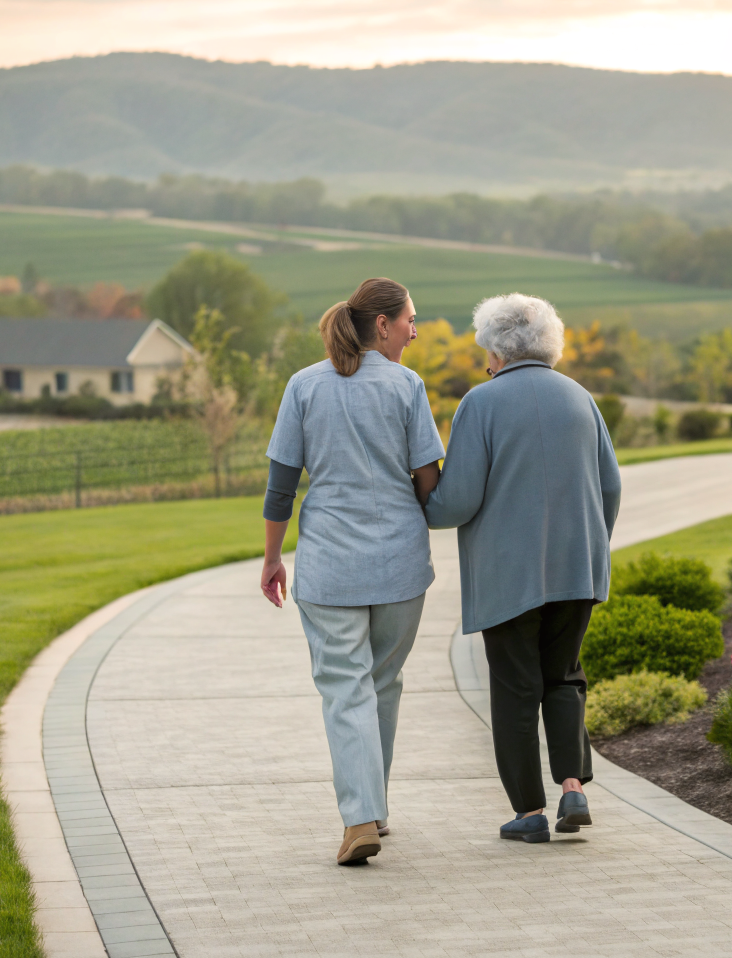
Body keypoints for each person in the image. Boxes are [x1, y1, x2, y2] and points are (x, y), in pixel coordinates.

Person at [423, 293, 621, 844]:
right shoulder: (581, 398)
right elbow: (610, 486)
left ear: (496, 349)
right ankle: (573, 787)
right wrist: (591, 546)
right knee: (564, 677)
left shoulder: (480, 404)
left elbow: (456, 501)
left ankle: (530, 812)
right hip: (576, 571)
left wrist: (419, 500)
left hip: (509, 577)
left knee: (514, 689)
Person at [259, 277, 444, 865]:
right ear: (383, 325)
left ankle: (361, 815)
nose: (416, 330)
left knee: (346, 690)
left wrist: (271, 557)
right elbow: (429, 484)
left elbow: (281, 486)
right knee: (381, 684)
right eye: (411, 320)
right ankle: (374, 810)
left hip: (330, 566)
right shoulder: (408, 386)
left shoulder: (303, 385)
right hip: (400, 566)